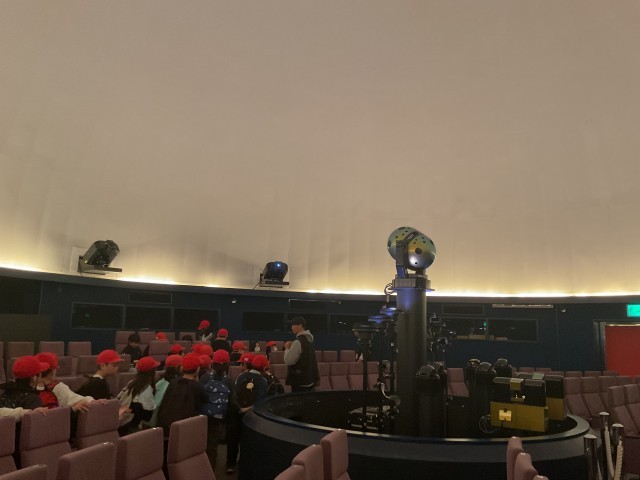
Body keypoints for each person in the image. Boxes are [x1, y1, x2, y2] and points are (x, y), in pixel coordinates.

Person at [226, 352, 268, 474]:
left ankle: (230, 464)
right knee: (247, 440)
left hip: (236, 412)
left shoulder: (240, 376)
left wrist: (240, 408)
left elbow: (234, 394)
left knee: (233, 439)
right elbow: (261, 400)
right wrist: (250, 408)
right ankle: (244, 464)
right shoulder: (264, 380)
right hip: (252, 415)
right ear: (265, 367)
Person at [201, 349, 237, 471]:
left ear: (213, 363)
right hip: (220, 418)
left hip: (204, 416)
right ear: (228, 364)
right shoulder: (230, 380)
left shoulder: (205, 377)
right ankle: (210, 471)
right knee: (213, 446)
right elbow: (233, 402)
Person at [156, 352, 208, 435]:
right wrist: (197, 381)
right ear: (197, 369)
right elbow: (205, 399)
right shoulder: (197, 386)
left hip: (168, 424)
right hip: (187, 426)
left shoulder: (173, 382)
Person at [117, 356, 159, 434]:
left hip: (124, 423)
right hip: (134, 427)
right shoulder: (146, 388)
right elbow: (148, 417)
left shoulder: (132, 382)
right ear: (152, 372)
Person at [142, 354, 182, 428]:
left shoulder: (162, 380)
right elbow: (156, 406)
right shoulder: (165, 384)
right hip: (157, 424)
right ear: (177, 367)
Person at [284, 316, 320, 392]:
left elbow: (289, 361)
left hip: (299, 381)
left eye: (293, 325)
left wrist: (287, 348)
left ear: (300, 325)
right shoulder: (310, 340)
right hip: (309, 380)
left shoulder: (298, 342)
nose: (291, 328)